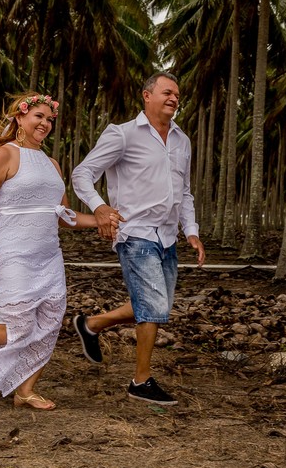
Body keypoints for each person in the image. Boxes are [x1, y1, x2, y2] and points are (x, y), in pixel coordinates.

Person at [0, 93, 99, 410]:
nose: (45, 123)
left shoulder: (52, 164)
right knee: (20, 323)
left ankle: (26, 390)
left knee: (48, 322)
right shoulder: (5, 155)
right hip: (10, 251)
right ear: (20, 118)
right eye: (39, 116)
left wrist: (101, 218)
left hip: (47, 255)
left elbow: (65, 216)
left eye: (50, 119)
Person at [70, 72, 205, 406]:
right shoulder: (123, 135)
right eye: (167, 92)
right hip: (135, 232)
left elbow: (184, 192)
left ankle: (91, 324)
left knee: (156, 307)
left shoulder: (181, 140)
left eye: (177, 94)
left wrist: (192, 231)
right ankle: (140, 381)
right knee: (154, 307)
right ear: (147, 95)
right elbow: (83, 174)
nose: (174, 98)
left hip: (168, 236)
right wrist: (100, 208)